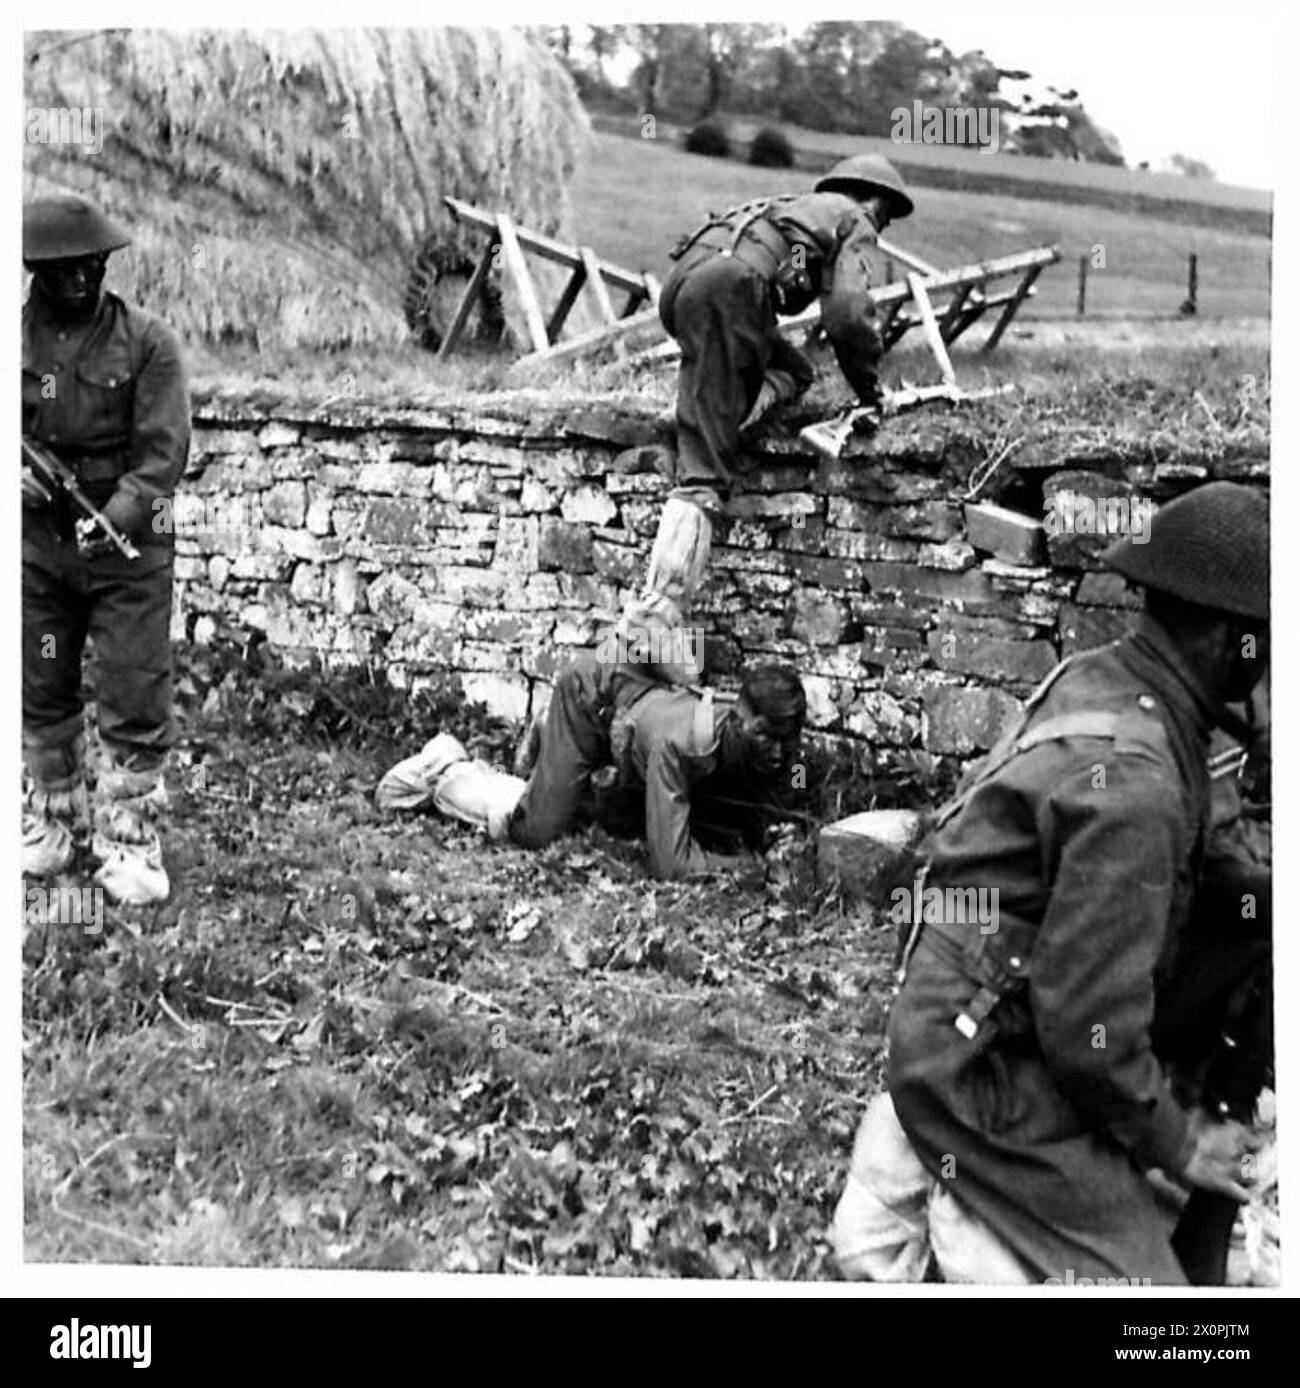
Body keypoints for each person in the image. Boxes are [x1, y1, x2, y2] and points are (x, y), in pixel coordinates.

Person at [832, 481, 1271, 1284]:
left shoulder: (1106, 683)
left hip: (969, 1012)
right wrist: (1182, 1142)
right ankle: (954, 1195)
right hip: (981, 1071)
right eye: (1266, 641)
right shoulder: (1138, 787)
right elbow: (1088, 1034)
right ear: (1225, 642)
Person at [620, 155, 914, 686]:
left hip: (688, 284)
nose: (881, 228)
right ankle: (653, 620)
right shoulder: (854, 217)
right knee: (705, 476)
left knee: (794, 369)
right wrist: (870, 388)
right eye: (887, 217)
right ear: (876, 202)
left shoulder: (792, 207)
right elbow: (848, 310)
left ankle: (713, 418)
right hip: (731, 290)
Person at [22, 194, 190, 904]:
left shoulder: (149, 342)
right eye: (66, 268)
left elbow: (164, 457)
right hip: (37, 545)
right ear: (36, 268)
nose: (83, 278)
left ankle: (131, 842)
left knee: (132, 684)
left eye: (94, 264)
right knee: (39, 683)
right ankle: (53, 823)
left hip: (130, 547)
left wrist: (117, 514)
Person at [376, 654, 806, 882]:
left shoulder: (766, 745)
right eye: (765, 735)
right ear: (739, 718)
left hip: (630, 711)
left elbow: (761, 804)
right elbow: (670, 865)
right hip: (590, 699)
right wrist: (748, 869)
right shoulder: (681, 747)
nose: (778, 751)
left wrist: (772, 840)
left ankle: (555, 762)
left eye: (788, 738)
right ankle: (449, 766)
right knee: (534, 830)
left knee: (606, 818)